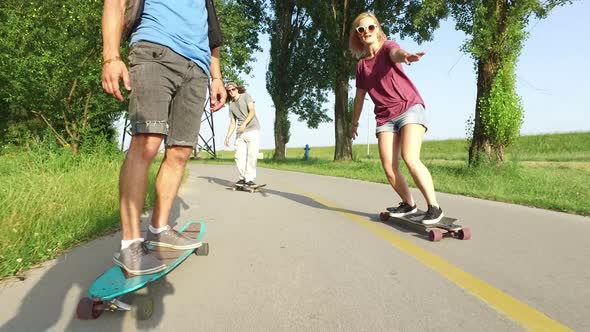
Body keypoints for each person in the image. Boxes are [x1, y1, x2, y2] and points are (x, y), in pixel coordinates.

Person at [101, 0, 226, 275]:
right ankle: (131, 244)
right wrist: (111, 56)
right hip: (155, 50)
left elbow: (212, 32)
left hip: (198, 67)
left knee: (180, 152)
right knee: (147, 142)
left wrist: (217, 77)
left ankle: (159, 229)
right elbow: (115, 3)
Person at [349, 12, 444, 224]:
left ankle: (434, 207)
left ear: (378, 29)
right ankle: (409, 204)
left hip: (409, 107)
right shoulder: (361, 65)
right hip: (385, 117)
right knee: (389, 167)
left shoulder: (388, 47)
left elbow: (396, 54)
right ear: (357, 35)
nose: (366, 32)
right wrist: (353, 123)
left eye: (370, 27)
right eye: (361, 29)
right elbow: (359, 96)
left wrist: (407, 56)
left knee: (410, 157)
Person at [223, 82, 261, 188]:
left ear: (237, 89)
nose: (231, 92)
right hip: (240, 133)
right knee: (239, 157)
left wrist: (244, 124)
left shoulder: (246, 96)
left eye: (233, 89)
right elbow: (232, 122)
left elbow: (252, 111)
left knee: (252, 156)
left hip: (252, 130)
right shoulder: (231, 105)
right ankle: (243, 178)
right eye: (229, 91)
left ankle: (249, 179)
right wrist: (227, 137)